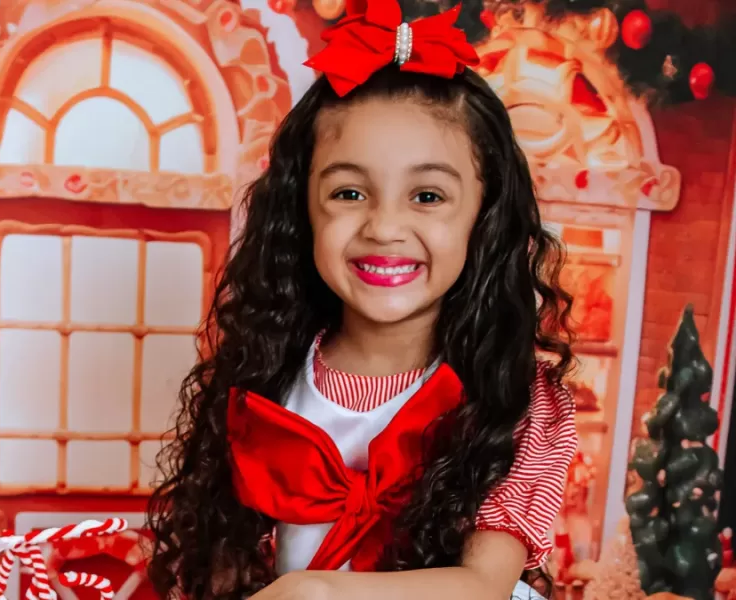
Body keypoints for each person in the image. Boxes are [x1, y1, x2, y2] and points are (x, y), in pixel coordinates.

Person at [146, 3, 578, 599]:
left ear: (485, 215)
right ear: (302, 209)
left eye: (428, 196)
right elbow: (224, 557)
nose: (384, 227)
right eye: (349, 193)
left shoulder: (515, 398)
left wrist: (315, 593)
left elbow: (482, 584)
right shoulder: (266, 372)